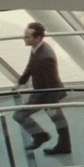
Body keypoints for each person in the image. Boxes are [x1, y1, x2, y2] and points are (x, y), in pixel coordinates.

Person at [12, 22, 70, 155]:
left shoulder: (45, 57)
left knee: (19, 115)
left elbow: (52, 81)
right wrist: (20, 83)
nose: (24, 39)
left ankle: (40, 135)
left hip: (46, 94)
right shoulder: (37, 49)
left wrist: (51, 103)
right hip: (43, 92)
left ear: (37, 38)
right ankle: (64, 145)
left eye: (27, 37)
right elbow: (30, 66)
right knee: (58, 119)